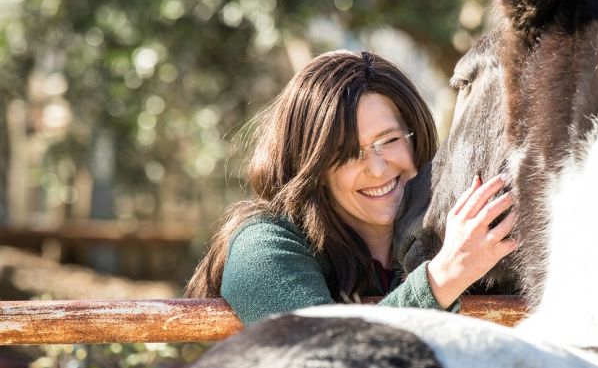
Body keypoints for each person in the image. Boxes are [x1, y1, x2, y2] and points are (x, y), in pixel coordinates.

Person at [185, 50, 517, 326]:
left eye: (388, 141)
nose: (376, 168)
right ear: (311, 166)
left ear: (416, 137)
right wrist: (443, 279)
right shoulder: (263, 247)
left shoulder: (465, 234)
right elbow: (319, 365)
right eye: (346, 155)